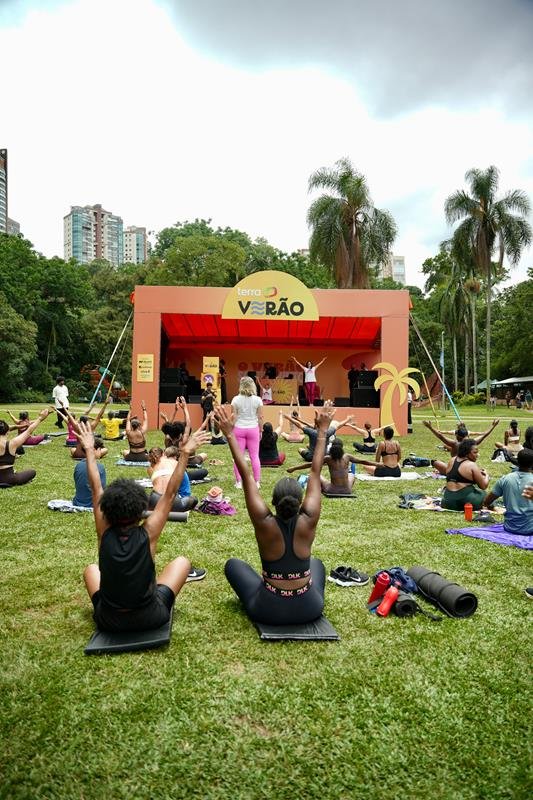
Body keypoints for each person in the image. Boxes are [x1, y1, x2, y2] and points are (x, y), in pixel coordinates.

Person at [79, 421, 209, 633]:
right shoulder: (148, 532)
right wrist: (185, 453)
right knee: (183, 562)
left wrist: (89, 450)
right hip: (151, 617)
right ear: (141, 510)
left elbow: (96, 489)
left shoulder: (104, 531)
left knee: (91, 570)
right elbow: (170, 494)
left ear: (107, 510)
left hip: (108, 619)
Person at [217, 403, 333, 625]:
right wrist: (322, 431)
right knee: (316, 564)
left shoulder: (264, 521)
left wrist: (230, 434)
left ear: (272, 502)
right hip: (309, 608)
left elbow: (246, 475)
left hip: (267, 608)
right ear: (300, 503)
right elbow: (315, 471)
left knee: (233, 565)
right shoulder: (309, 519)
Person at [423, 418, 500, 475]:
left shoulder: (455, 444)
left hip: (455, 471)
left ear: (458, 436)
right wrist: (494, 425)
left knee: (435, 462)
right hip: (468, 470)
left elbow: (440, 436)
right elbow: (485, 435)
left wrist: (430, 427)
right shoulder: (473, 442)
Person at [484, 449, 533, 535]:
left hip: (510, 527)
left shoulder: (505, 479)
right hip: (530, 528)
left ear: (517, 462)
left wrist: (491, 507)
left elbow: (487, 502)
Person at [288, 438, 357, 496]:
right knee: (352, 475)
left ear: (332, 447)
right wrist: (365, 463)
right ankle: (345, 487)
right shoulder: (347, 456)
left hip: (331, 490)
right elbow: (361, 461)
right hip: (347, 491)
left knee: (317, 475)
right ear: (342, 448)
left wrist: (294, 468)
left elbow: (311, 464)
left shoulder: (328, 458)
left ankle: (317, 486)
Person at [0, 409, 51, 486]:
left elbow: (15, 427)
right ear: (7, 432)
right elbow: (29, 431)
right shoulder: (12, 443)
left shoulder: (12, 443)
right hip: (10, 479)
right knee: (32, 472)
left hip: (7, 477)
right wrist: (40, 418)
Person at [230, 376, 263, 489]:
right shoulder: (258, 400)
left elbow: (233, 417)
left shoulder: (235, 399)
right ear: (253, 385)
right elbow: (260, 417)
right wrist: (261, 430)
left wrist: (231, 430)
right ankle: (257, 482)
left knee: (238, 457)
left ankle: (239, 482)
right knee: (255, 456)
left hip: (238, 429)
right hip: (253, 429)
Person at [440, 439, 489, 511]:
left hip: (447, 502)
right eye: (475, 452)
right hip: (465, 502)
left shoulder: (452, 460)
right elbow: (483, 486)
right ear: (466, 453)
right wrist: (487, 475)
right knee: (485, 494)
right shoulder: (471, 465)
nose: (477, 455)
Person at [147, 447, 198, 512]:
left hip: (154, 499)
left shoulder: (150, 469)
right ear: (164, 454)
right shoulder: (175, 462)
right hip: (173, 500)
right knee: (194, 499)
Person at [73, 437, 107, 508]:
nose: (100, 452)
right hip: (94, 504)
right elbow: (101, 490)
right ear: (94, 450)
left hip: (78, 502)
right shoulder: (100, 467)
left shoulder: (78, 466)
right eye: (100, 449)